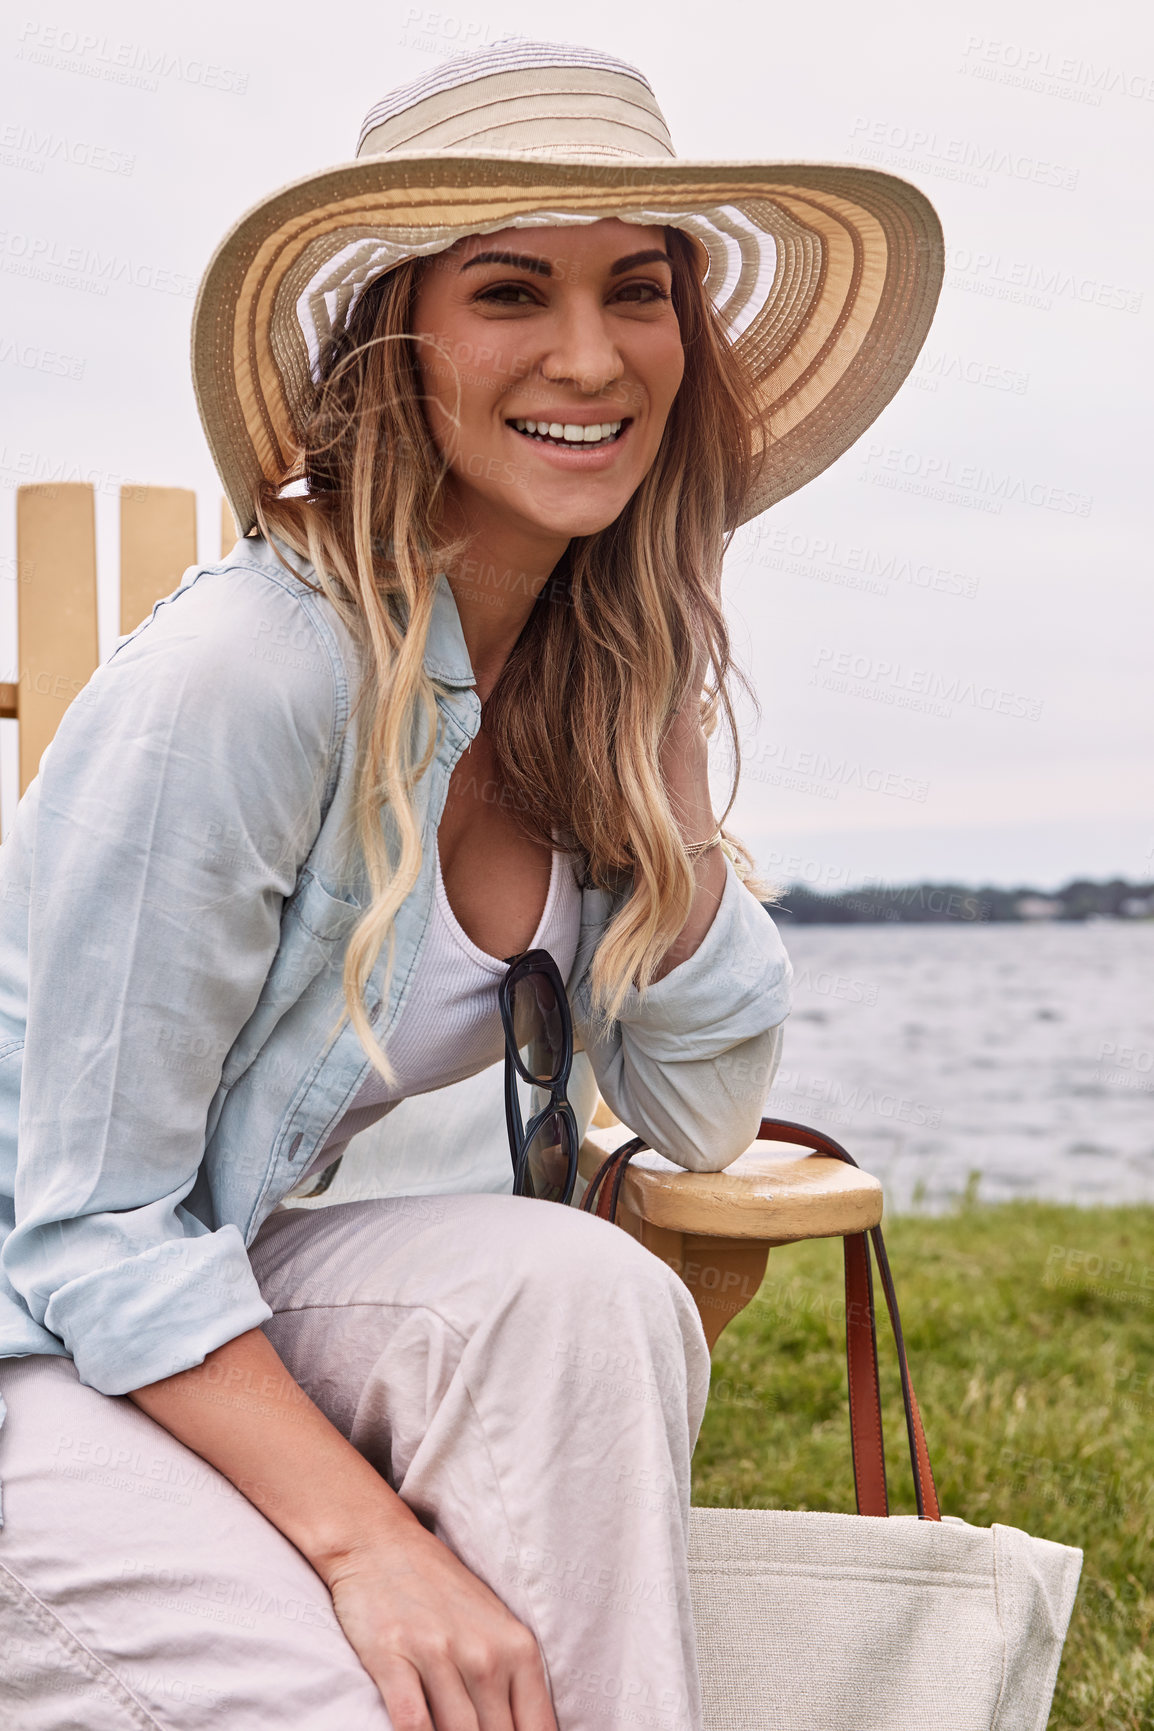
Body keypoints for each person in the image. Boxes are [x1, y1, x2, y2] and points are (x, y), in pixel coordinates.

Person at [0, 40, 942, 1731]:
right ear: (396, 343)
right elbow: (86, 1224)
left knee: (581, 1289)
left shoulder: (576, 676)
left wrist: (653, 745)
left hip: (201, 1290)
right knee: (369, 1699)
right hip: (38, 1328)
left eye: (635, 292)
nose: (590, 355)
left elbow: (705, 1108)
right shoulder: (250, 675)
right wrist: (373, 1549)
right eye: (512, 289)